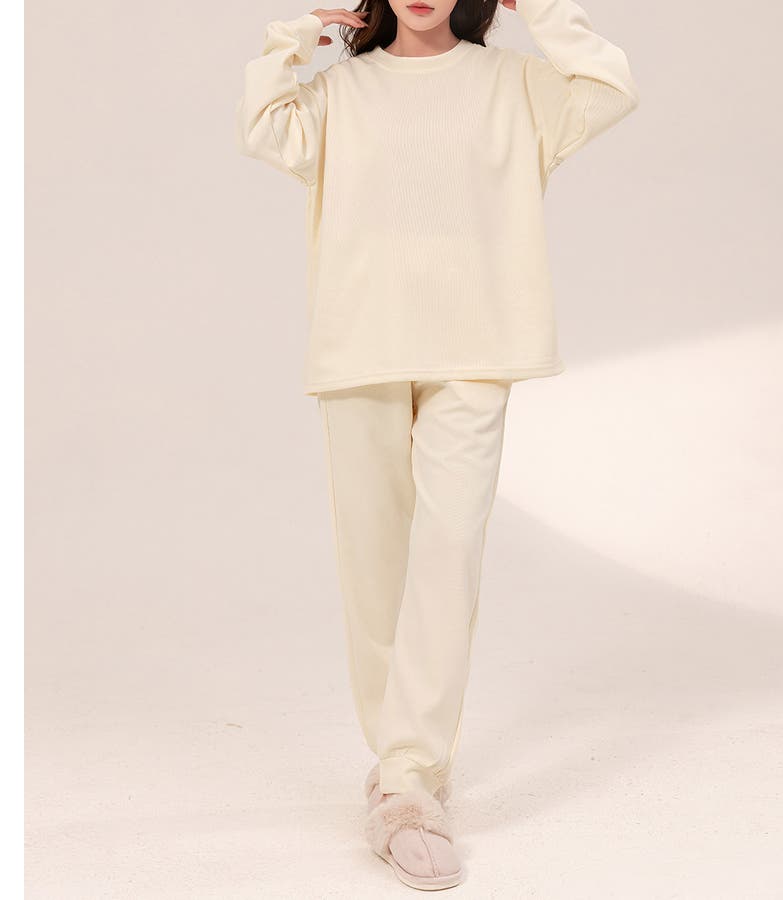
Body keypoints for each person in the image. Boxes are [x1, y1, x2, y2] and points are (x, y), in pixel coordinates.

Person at [235, 0, 638, 889]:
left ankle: (408, 780)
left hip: (478, 349)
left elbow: (610, 87)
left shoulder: (516, 85)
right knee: (375, 564)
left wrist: (546, 9)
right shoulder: (341, 93)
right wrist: (296, 32)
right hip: (362, 348)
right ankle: (400, 766)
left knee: (448, 552)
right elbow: (264, 126)